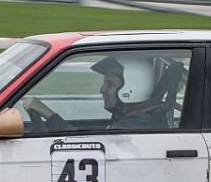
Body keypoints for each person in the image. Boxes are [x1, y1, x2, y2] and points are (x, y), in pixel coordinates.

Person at [23, 54, 163, 131]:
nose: (102, 90)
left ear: (132, 87)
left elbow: (82, 143)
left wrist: (46, 112)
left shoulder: (135, 125)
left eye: (110, 84)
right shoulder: (129, 118)